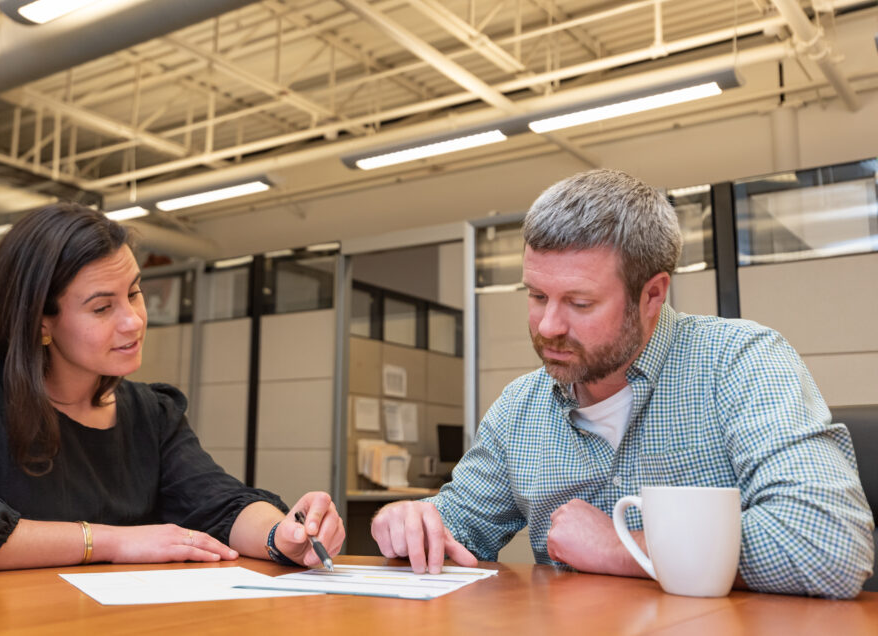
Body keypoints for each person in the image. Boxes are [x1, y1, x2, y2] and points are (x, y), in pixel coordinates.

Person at [371, 169, 874, 599]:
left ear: (652, 294)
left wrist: (619, 546)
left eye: (580, 303)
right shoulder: (519, 409)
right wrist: (413, 521)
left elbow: (830, 543)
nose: (548, 326)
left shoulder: (739, 363)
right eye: (537, 295)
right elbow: (457, 525)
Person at [0, 203, 343, 577]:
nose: (133, 320)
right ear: (41, 322)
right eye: (101, 307)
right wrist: (109, 541)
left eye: (133, 292)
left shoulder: (152, 413)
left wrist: (283, 534)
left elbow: (218, 504)